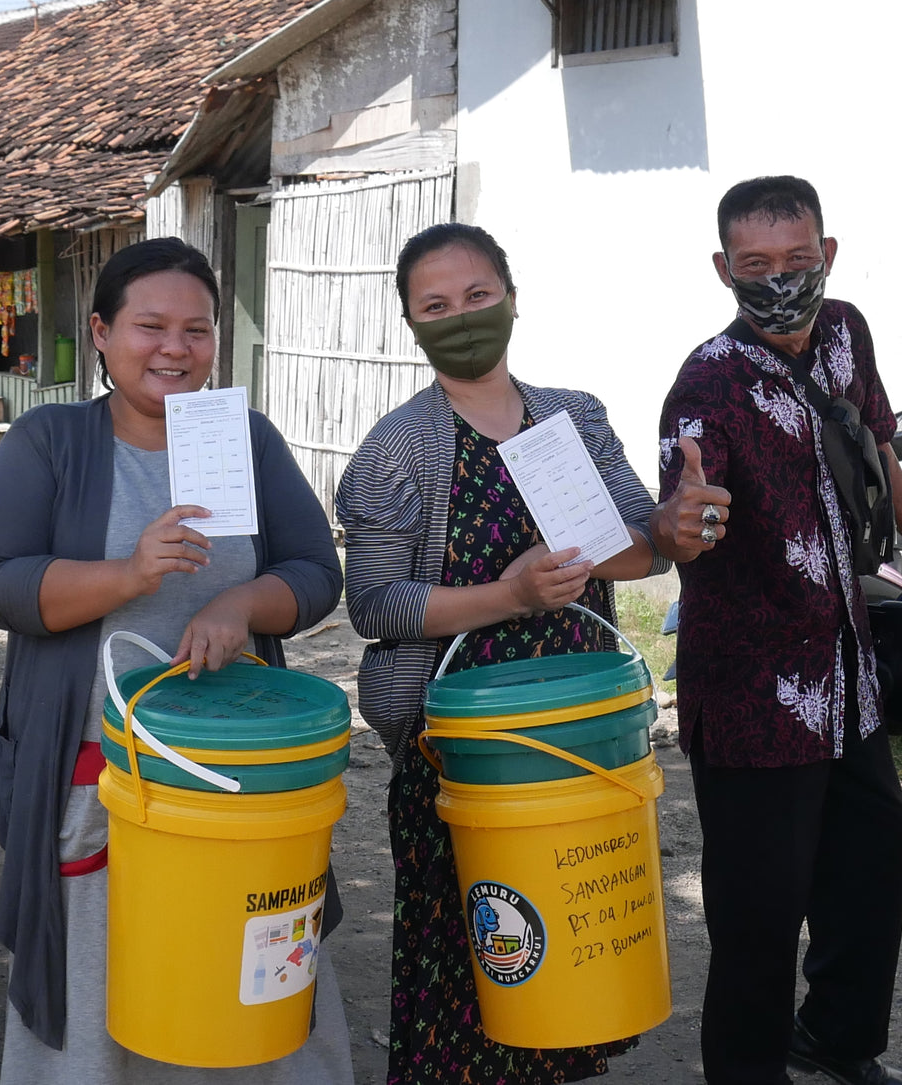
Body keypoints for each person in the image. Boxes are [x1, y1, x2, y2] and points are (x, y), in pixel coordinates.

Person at [0, 237, 352, 1084]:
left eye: (197, 329)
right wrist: (128, 574)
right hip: (99, 777)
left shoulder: (242, 437)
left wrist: (238, 603)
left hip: (240, 773)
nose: (175, 348)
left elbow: (316, 573)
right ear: (100, 333)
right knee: (102, 989)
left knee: (248, 975)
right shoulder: (51, 440)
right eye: (150, 326)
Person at [650, 177, 902, 1085]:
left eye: (797, 261)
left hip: (847, 668)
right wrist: (678, 521)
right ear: (723, 270)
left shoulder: (846, 331)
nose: (780, 282)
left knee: (870, 866)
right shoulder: (705, 383)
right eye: (755, 266)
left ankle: (835, 1041)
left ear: (826, 254)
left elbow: (879, 444)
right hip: (754, 690)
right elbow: (681, 505)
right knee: (758, 913)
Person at [334, 223, 671, 1085]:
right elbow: (373, 604)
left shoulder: (572, 416)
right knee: (476, 945)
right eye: (434, 305)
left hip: (573, 732)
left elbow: (640, 544)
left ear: (512, 297)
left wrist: (651, 534)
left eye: (477, 296)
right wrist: (506, 598)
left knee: (568, 946)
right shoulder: (396, 450)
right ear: (411, 323)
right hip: (456, 742)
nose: (461, 317)